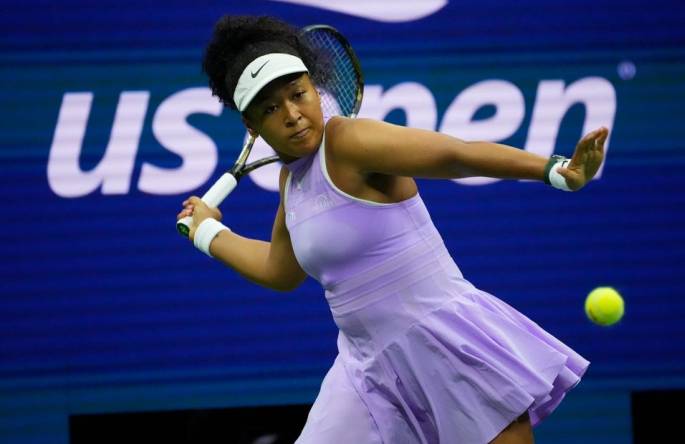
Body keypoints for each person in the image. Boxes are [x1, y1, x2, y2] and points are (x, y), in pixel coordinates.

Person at [178, 15, 608, 444]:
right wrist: (208, 235)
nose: (292, 115)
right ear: (251, 126)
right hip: (364, 371)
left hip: (445, 342)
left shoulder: (349, 141)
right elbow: (280, 270)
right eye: (271, 109)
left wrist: (555, 171)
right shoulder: (292, 181)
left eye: (298, 94)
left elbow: (455, 155)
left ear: (314, 88)